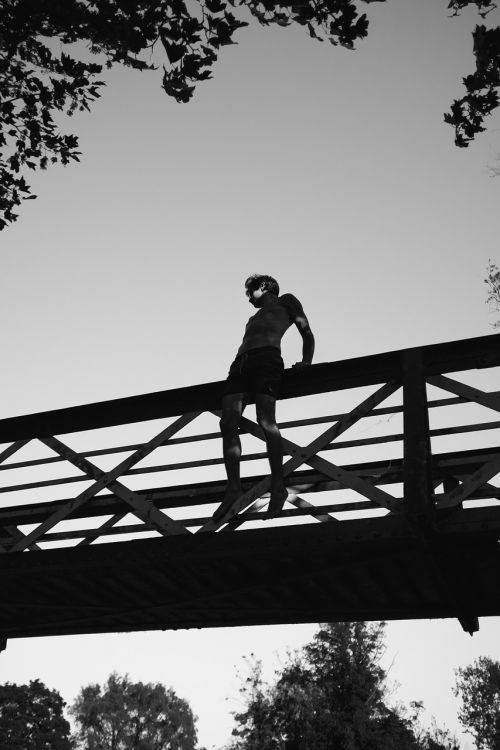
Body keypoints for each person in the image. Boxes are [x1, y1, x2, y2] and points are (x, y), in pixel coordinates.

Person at [213, 274, 315, 523]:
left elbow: (306, 331)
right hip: (240, 365)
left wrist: (306, 362)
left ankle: (278, 487)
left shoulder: (287, 300)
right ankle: (234, 488)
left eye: (250, 292)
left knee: (266, 421)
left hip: (268, 360)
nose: (248, 299)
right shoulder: (252, 318)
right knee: (227, 423)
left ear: (263, 287)